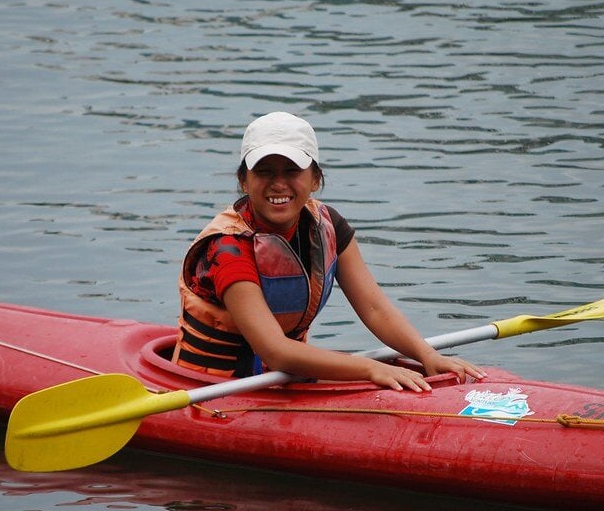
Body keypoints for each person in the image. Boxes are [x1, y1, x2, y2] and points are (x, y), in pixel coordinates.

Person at [172, 111, 486, 391]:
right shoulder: (228, 247)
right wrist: (371, 368)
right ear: (244, 181)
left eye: (292, 171)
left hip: (286, 378)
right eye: (264, 172)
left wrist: (427, 355)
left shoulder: (327, 225)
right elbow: (274, 350)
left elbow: (375, 308)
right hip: (215, 388)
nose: (278, 184)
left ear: (315, 180)